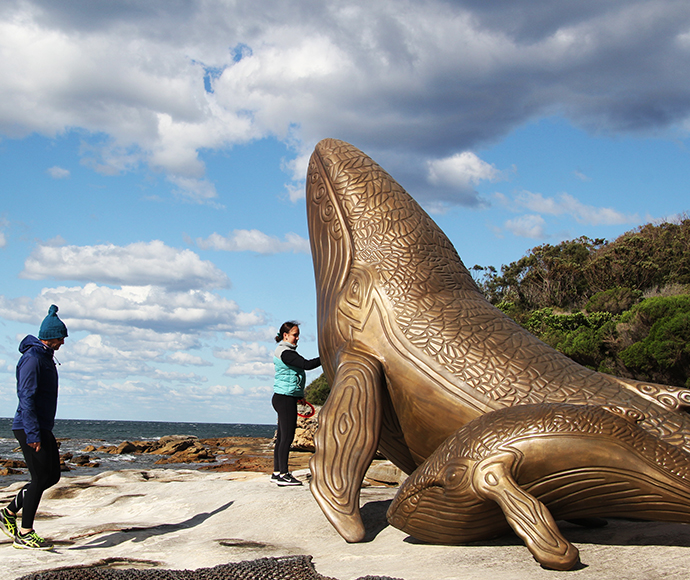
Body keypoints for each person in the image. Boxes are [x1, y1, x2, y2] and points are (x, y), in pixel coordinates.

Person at [0, 305, 68, 550]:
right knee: (39, 478)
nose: (62, 342)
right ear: (50, 336)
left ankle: (8, 512)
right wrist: (32, 433)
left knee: (53, 476)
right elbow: (26, 397)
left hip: (41, 426)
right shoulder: (32, 359)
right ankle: (25, 533)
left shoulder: (45, 357)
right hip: (30, 427)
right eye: (60, 337)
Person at [271, 321, 321, 486]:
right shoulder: (286, 352)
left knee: (281, 437)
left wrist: (299, 395)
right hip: (285, 398)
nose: (298, 338)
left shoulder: (285, 351)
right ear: (285, 335)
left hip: (285, 397)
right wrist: (326, 357)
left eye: (298, 334)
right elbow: (306, 365)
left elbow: (294, 374)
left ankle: (277, 472)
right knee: (287, 437)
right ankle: (283, 475)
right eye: (295, 335)